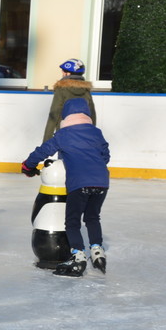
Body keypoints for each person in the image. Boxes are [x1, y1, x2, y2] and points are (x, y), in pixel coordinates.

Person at [22, 98, 110, 277]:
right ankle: (97, 251)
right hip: (101, 182)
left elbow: (42, 151)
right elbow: (105, 155)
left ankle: (78, 256)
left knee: (72, 222)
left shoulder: (64, 134)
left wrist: (28, 165)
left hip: (79, 183)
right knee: (93, 217)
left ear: (65, 116)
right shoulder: (96, 132)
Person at [43, 58, 97, 142]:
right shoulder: (86, 90)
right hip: (83, 135)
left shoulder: (61, 89)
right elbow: (92, 114)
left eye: (63, 71)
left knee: (65, 155)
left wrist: (46, 141)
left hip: (64, 135)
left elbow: (54, 114)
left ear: (68, 73)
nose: (62, 74)